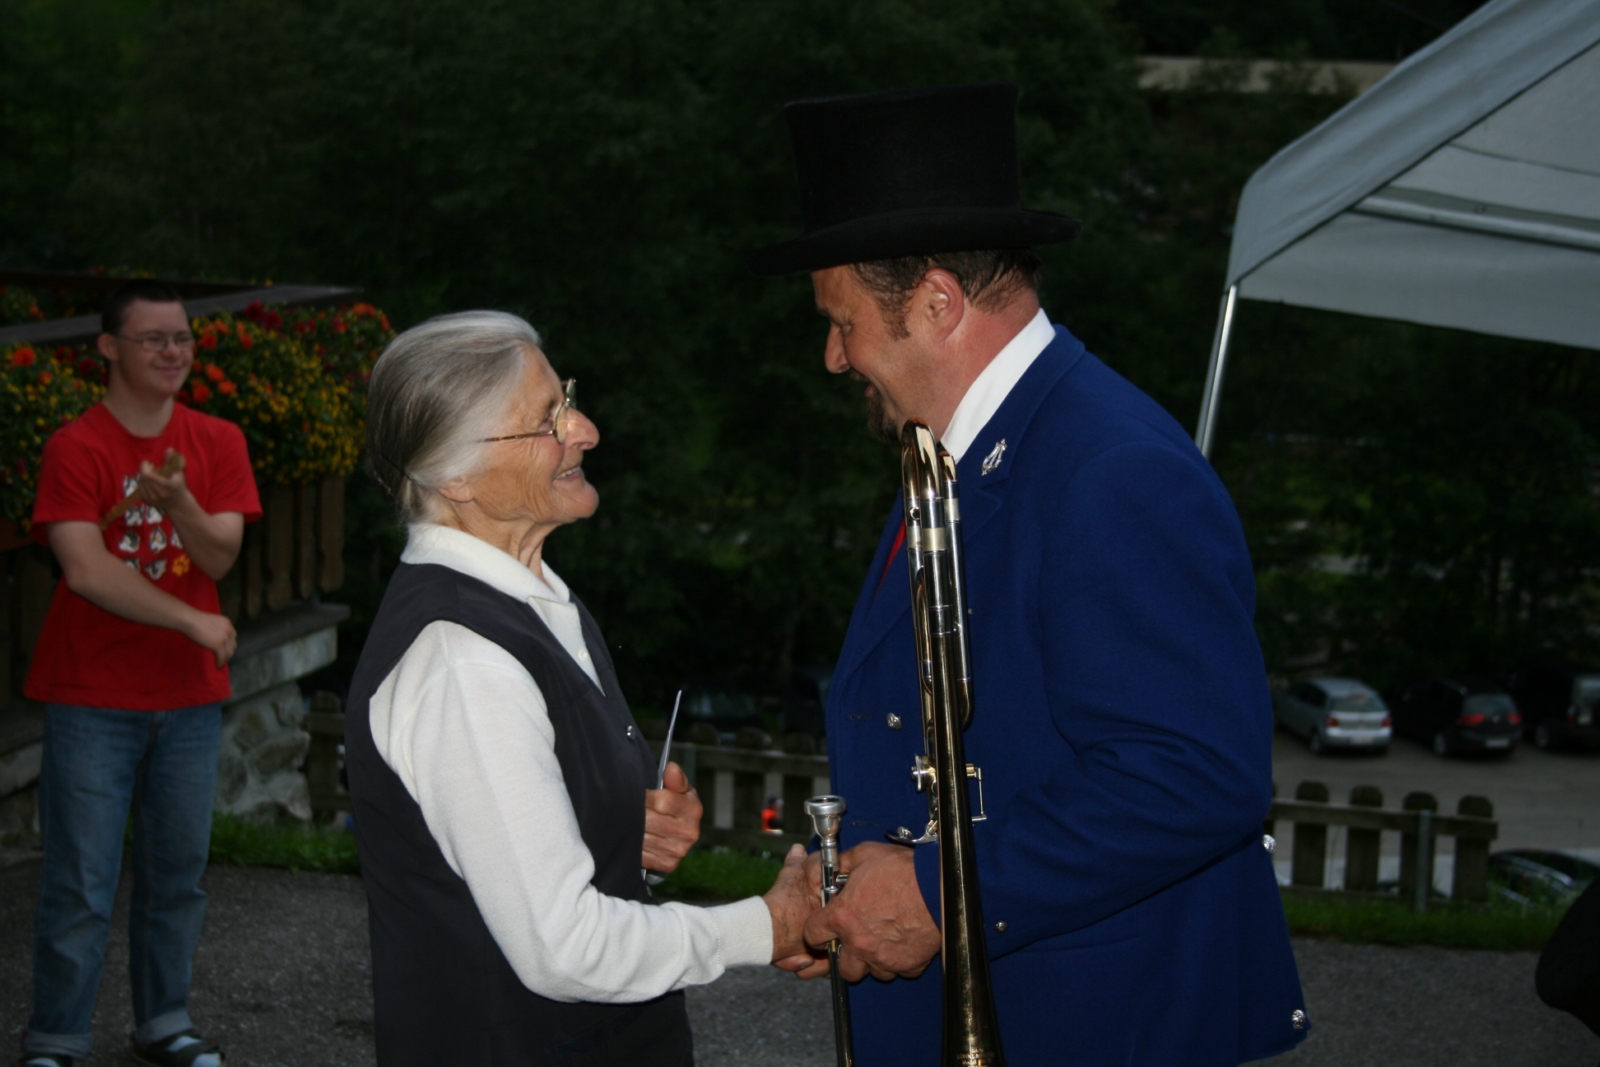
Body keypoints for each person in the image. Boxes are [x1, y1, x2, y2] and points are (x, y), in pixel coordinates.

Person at [747, 84, 1308, 1066]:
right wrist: (861, 888)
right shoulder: (959, 445)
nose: (834, 357)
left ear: (935, 302)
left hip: (1089, 1023)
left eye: (842, 321)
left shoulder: (1110, 469)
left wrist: (935, 892)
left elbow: (1195, 771)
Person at [348, 311, 816, 1066]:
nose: (586, 430)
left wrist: (626, 838)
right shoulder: (465, 663)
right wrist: (767, 925)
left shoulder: (532, 600)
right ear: (454, 476)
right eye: (546, 420)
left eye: (566, 397)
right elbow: (564, 949)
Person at [20, 280, 261, 1067]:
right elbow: (86, 570)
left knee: (177, 876)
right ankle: (56, 1039)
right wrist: (194, 620)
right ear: (108, 347)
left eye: (182, 338)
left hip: (188, 699)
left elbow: (219, 555)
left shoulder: (216, 439)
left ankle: (165, 1024)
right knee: (80, 882)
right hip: (91, 695)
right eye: (153, 338)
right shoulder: (76, 446)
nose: (172, 352)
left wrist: (180, 501)